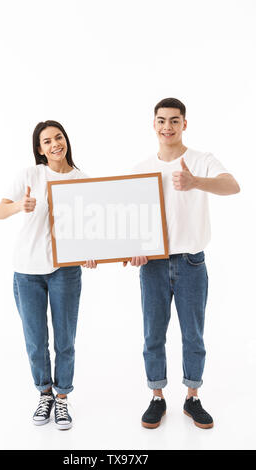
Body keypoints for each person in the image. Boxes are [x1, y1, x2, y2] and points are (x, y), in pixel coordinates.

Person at [125, 98, 240, 429]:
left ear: (184, 124)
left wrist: (195, 182)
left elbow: (233, 186)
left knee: (193, 334)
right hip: (154, 264)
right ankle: (157, 397)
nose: (167, 127)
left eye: (174, 121)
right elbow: (130, 220)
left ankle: (192, 397)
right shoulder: (140, 169)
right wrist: (134, 248)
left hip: (191, 261)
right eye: (161, 121)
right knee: (153, 333)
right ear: (154, 124)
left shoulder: (201, 160)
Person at [0, 120, 96, 429]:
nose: (55, 144)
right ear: (39, 149)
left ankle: (62, 399)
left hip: (65, 270)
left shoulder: (83, 180)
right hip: (27, 270)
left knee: (65, 340)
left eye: (59, 137)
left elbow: (91, 227)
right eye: (47, 141)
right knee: (36, 341)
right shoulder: (29, 175)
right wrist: (18, 207)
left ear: (66, 140)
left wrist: (91, 252)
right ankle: (45, 393)